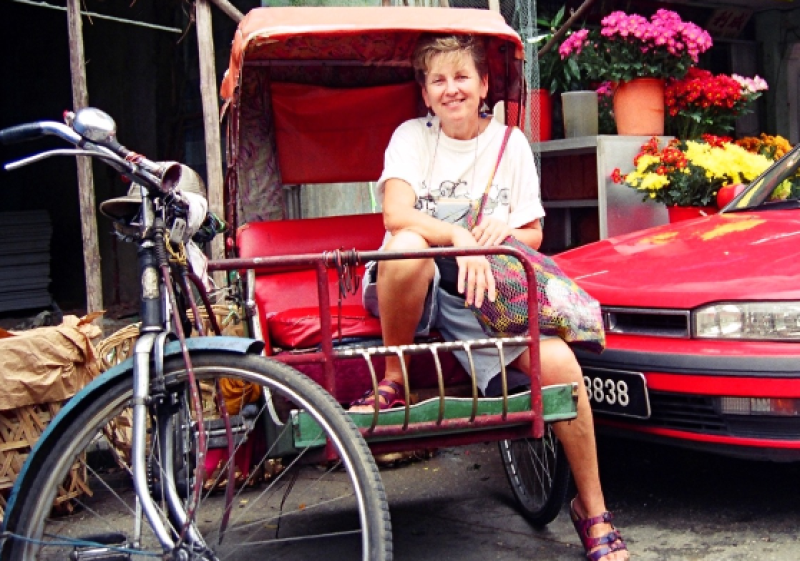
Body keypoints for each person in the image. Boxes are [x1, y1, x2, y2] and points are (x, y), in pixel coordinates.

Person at [351, 34, 629, 561]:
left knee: (562, 364)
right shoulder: (411, 137)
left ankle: (592, 509)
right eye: (438, 80)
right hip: (410, 282)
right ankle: (395, 377)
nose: (451, 89)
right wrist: (459, 237)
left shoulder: (511, 143)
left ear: (483, 86)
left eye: (462, 77)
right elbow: (397, 216)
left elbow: (533, 236)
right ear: (425, 93)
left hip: (483, 292)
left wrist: (502, 234)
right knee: (408, 246)